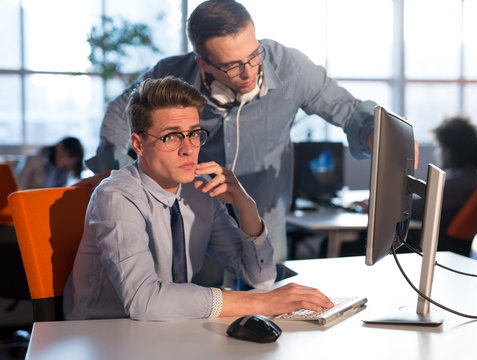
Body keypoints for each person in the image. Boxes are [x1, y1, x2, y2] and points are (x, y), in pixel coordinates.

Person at [79, 0, 377, 263]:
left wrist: (377, 135)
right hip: (193, 212)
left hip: (264, 213)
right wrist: (114, 170)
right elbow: (121, 111)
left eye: (253, 55)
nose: (249, 72)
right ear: (204, 64)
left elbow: (347, 109)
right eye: (232, 66)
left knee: (268, 299)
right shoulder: (172, 75)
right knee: (194, 309)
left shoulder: (290, 68)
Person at [63, 76, 333, 321]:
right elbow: (144, 302)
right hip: (105, 337)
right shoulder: (116, 197)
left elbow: (260, 276)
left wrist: (245, 204)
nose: (189, 149)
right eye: (172, 136)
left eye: (193, 133)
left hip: (170, 332)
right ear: (138, 144)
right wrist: (260, 303)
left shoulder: (198, 192)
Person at [411, 115, 477, 257]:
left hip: (432, 249)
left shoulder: (461, 182)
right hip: (443, 247)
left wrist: (378, 204)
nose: (437, 153)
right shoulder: (470, 177)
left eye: (439, 147)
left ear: (452, 150)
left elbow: (420, 207)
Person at [15, 136, 84, 189]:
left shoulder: (66, 170)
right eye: (69, 156)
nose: (68, 163)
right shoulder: (33, 160)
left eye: (72, 162)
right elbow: (19, 187)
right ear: (60, 146)